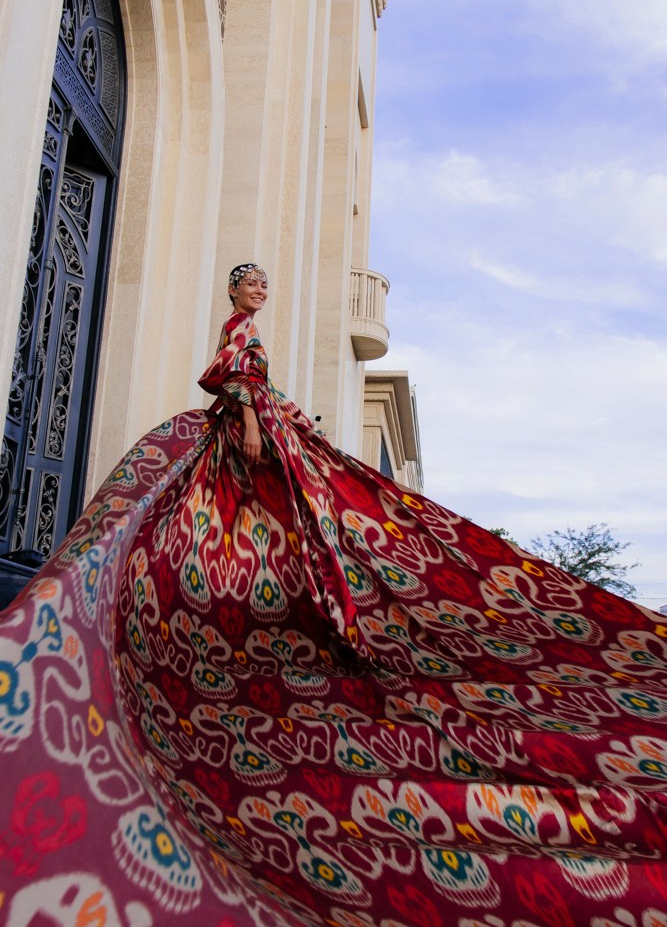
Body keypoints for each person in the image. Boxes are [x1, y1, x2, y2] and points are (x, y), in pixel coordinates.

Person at [1, 264, 667, 927]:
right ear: (233, 293)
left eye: (263, 286)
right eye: (250, 286)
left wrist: (279, 426)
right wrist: (259, 432)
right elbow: (239, 383)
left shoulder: (242, 352)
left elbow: (253, 387)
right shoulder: (238, 343)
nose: (258, 293)